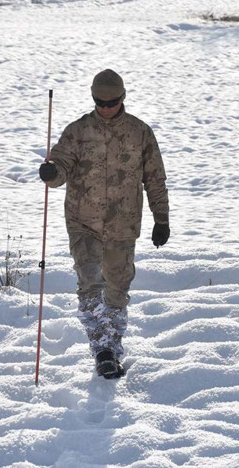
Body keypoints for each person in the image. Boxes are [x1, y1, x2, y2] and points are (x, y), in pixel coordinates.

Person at [38, 69, 170, 379]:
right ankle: (103, 351)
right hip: (83, 221)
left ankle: (113, 344)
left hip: (123, 225)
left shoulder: (140, 133)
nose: (106, 108)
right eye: (100, 103)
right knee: (90, 281)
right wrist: (52, 172)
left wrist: (161, 218)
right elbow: (61, 168)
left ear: (122, 99)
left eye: (112, 103)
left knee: (117, 289)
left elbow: (155, 179)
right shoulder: (78, 131)